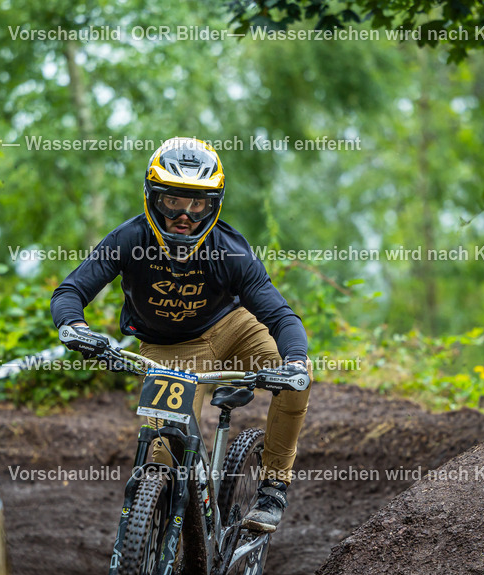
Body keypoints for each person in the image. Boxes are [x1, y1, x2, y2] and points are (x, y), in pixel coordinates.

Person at [51, 137, 311, 533]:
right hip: (168, 348)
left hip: (233, 328)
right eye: (173, 200)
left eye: (198, 203)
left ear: (214, 204)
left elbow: (280, 315)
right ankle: (158, 538)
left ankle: (274, 486)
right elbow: (71, 291)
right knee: (163, 453)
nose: (185, 215)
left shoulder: (231, 251)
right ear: (153, 197)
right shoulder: (129, 239)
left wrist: (293, 359)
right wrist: (76, 327)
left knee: (298, 376)